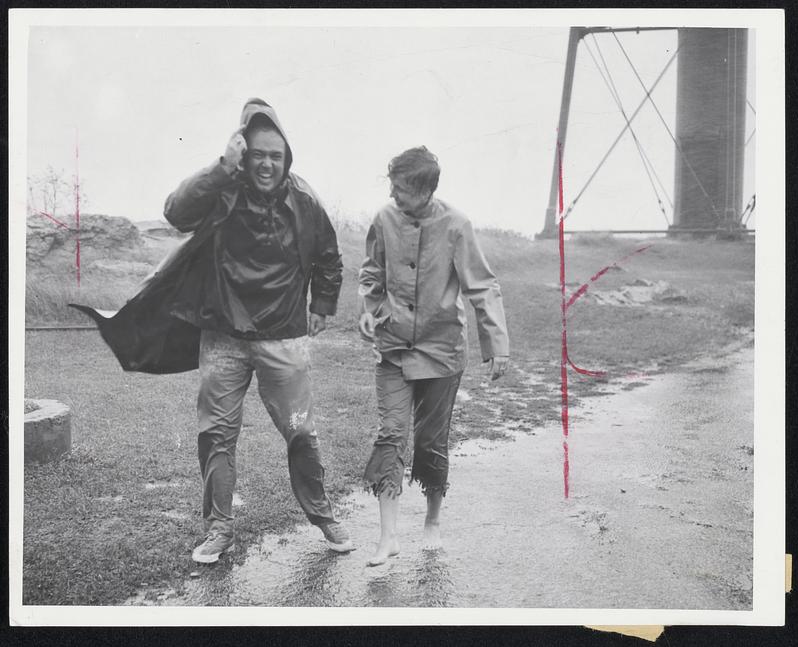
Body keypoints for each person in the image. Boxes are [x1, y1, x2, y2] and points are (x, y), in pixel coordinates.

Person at [73, 98, 352, 563]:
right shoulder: (225, 187)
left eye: (275, 156)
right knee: (216, 436)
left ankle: (324, 516)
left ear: (288, 159)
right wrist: (222, 167)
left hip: (283, 337)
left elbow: (329, 256)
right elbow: (176, 213)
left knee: (302, 433)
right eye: (257, 154)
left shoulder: (304, 201)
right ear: (243, 153)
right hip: (223, 337)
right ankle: (219, 528)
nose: (266, 164)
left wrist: (322, 304)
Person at [358, 146, 510, 566]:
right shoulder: (383, 219)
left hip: (442, 352)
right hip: (391, 350)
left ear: (425, 190)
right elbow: (371, 274)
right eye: (391, 185)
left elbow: (482, 285)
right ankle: (388, 537)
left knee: (430, 442)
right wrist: (371, 312)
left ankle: (433, 521)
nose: (393, 195)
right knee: (390, 435)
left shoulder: (457, 225)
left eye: (402, 188)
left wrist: (496, 344)